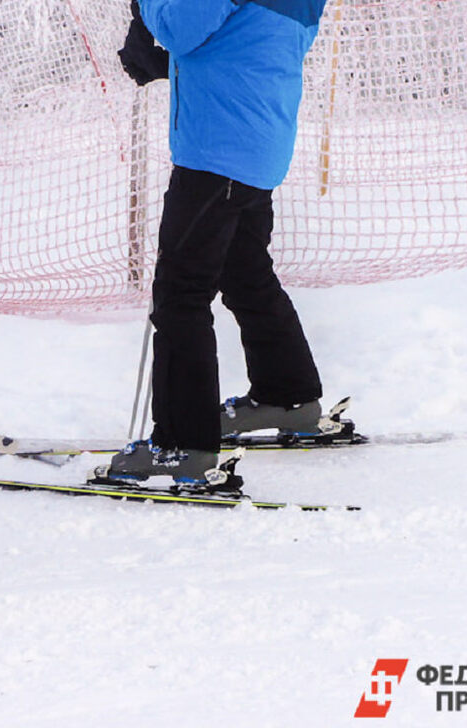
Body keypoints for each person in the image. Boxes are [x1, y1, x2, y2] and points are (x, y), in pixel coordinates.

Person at [110, 0, 327, 484]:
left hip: (215, 154)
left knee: (180, 296)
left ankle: (183, 445)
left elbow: (179, 28)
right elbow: (254, 45)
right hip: (257, 146)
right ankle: (287, 396)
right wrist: (175, 67)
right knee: (246, 275)